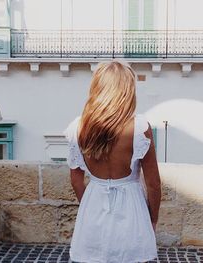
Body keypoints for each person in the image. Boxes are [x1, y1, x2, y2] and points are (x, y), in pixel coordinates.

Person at [63, 60, 161, 263]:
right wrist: (152, 218)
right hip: (131, 205)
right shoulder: (140, 127)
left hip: (94, 200)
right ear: (127, 90)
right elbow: (153, 184)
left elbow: (75, 180)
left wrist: (88, 206)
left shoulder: (77, 127)